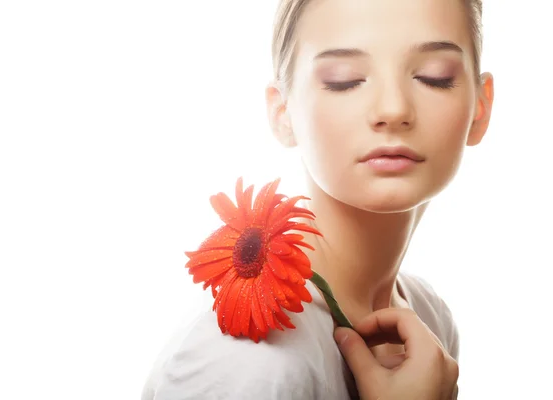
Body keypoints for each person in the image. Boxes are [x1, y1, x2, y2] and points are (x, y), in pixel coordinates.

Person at [142, 0, 494, 398]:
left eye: (434, 76)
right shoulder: (246, 365)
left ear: (481, 108)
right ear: (282, 112)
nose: (393, 110)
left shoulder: (429, 320)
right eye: (344, 80)